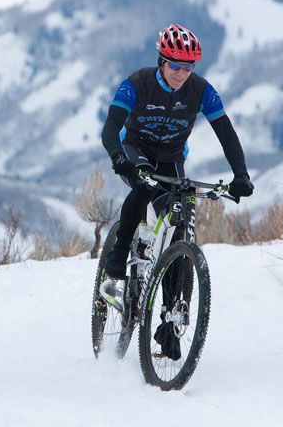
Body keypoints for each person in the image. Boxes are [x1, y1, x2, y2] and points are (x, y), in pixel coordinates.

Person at [100, 23, 254, 287]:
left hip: (172, 157)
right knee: (143, 187)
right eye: (175, 66)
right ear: (162, 61)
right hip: (135, 149)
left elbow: (226, 134)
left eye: (189, 67)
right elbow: (111, 126)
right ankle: (120, 248)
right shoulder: (137, 83)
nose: (182, 74)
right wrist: (118, 158)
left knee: (179, 224)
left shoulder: (202, 90)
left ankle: (168, 320)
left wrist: (241, 174)